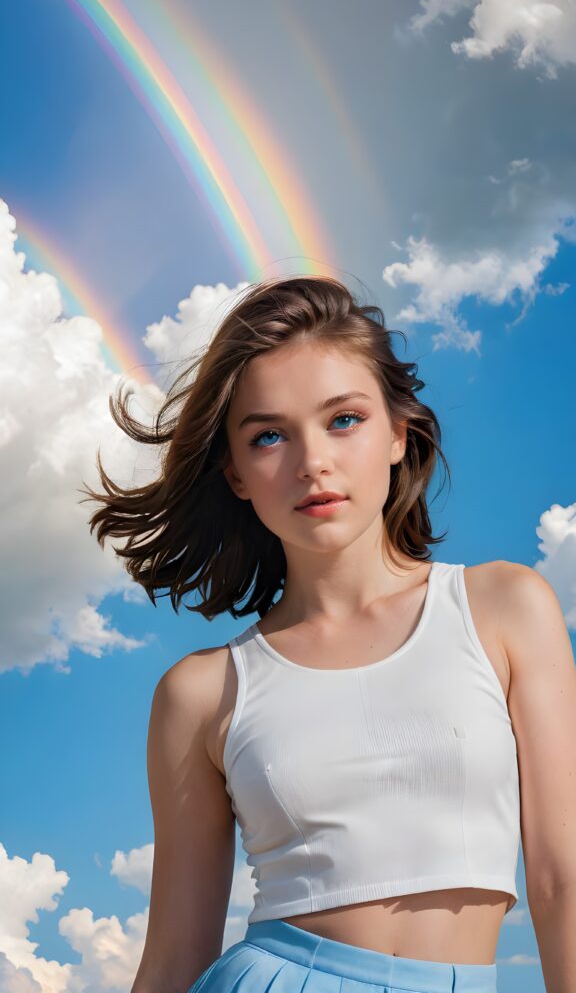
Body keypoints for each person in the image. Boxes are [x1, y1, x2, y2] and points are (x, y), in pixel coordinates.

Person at [81, 276, 575, 993]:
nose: (313, 462)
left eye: (344, 419)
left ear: (400, 431)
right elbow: (172, 960)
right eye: (270, 436)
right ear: (238, 474)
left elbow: (562, 877)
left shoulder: (504, 607)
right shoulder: (201, 693)